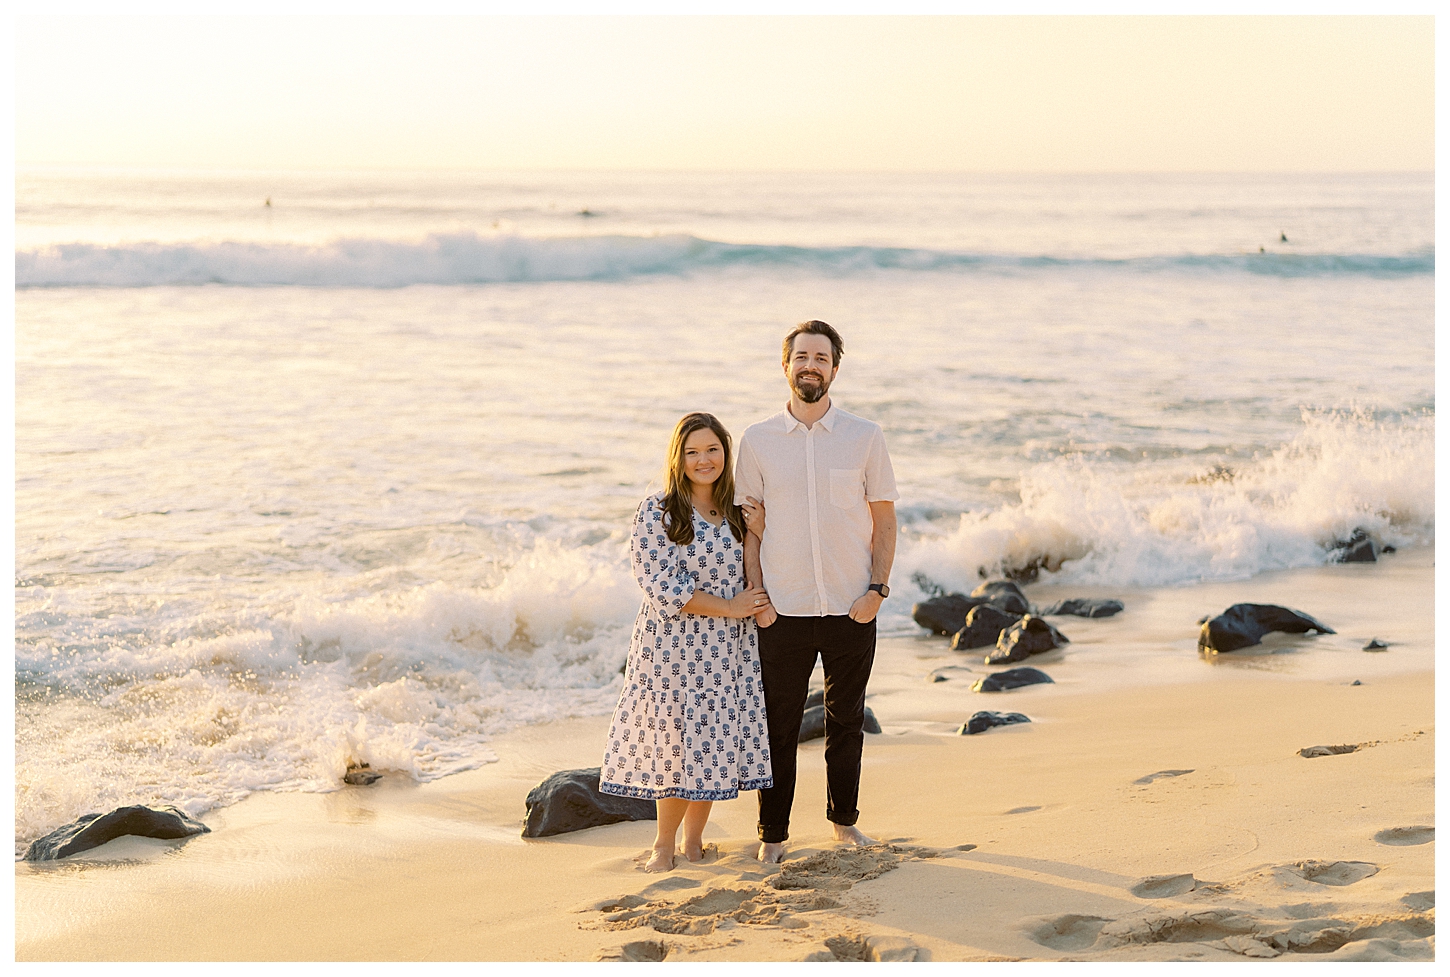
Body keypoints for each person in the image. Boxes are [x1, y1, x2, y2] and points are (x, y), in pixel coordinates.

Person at [735, 320, 898, 864]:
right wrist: (757, 598)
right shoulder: (757, 441)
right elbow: (748, 530)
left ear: (835, 367)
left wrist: (876, 590)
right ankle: (772, 835)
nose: (810, 365)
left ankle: (844, 825)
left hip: (852, 606)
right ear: (785, 366)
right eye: (801, 356)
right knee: (778, 726)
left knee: (846, 721)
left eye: (821, 357)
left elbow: (884, 520)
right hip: (782, 611)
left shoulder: (865, 436)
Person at [599, 412, 775, 873]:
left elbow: (765, 563)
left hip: (728, 650)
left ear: (726, 453)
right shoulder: (657, 510)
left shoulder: (737, 510)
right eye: (693, 451)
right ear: (678, 458)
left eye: (712, 450)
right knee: (677, 745)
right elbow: (660, 584)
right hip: (673, 649)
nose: (704, 460)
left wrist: (760, 530)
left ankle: (694, 844)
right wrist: (730, 607)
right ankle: (662, 844)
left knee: (713, 742)